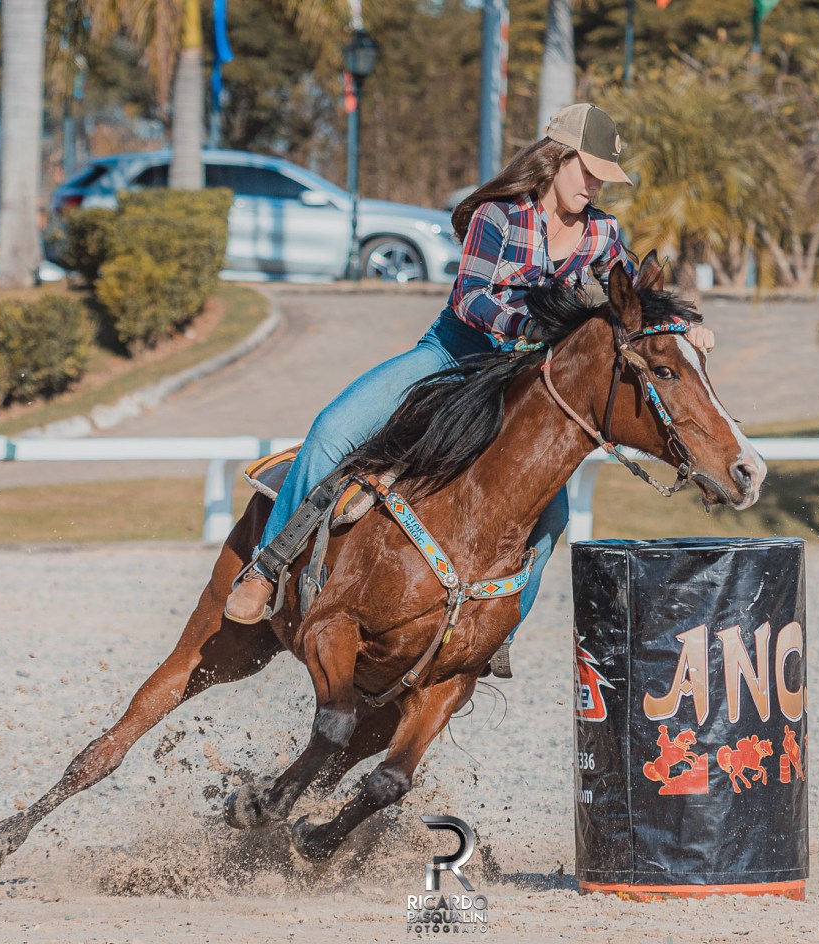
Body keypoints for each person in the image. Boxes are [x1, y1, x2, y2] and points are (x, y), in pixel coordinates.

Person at [224, 104, 716, 671]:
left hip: (520, 385)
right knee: (334, 430)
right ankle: (266, 567)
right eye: (589, 170)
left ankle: (493, 635)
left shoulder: (602, 232)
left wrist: (685, 326)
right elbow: (471, 298)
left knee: (551, 517)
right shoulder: (497, 217)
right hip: (451, 355)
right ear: (556, 159)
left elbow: (635, 302)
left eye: (604, 175)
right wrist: (527, 328)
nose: (597, 183)